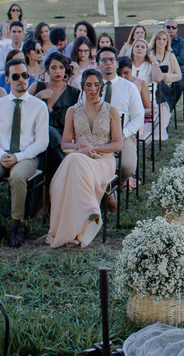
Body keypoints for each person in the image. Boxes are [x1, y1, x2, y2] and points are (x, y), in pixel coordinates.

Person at [47, 69, 123, 248]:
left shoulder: (111, 110)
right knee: (75, 160)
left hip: (103, 160)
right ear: (82, 86)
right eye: (88, 85)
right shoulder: (73, 111)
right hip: (80, 158)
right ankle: (88, 211)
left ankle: (88, 214)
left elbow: (118, 144)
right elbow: (65, 144)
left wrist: (93, 147)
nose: (93, 89)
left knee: (73, 163)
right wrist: (79, 147)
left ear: (101, 87)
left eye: (96, 85)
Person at [0, 57, 49, 247]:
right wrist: (1, 154)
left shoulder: (39, 106)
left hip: (25, 156)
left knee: (17, 177)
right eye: (16, 76)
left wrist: (18, 156)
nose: (21, 80)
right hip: (0, 155)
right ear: (7, 79)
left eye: (25, 75)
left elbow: (42, 141)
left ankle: (16, 227)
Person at [30, 53, 80, 180]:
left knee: (50, 135)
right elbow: (23, 110)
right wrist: (38, 97)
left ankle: (39, 185)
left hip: (62, 137)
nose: (58, 71)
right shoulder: (37, 87)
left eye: (61, 67)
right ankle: (62, 174)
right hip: (36, 135)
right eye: (53, 67)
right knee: (48, 132)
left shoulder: (74, 93)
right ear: (47, 70)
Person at [99, 51, 144, 185]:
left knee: (127, 166)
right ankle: (101, 187)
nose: (108, 63)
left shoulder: (129, 87)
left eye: (111, 60)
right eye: (104, 60)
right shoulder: (91, 86)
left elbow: (138, 117)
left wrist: (123, 134)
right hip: (96, 135)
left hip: (123, 135)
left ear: (117, 63)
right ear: (98, 64)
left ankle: (112, 186)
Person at [148, 29, 182, 141]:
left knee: (160, 86)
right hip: (151, 87)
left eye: (164, 39)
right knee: (156, 87)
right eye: (159, 39)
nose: (161, 41)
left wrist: (166, 76)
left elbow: (179, 75)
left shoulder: (170, 56)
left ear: (167, 41)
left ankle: (162, 121)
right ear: (155, 40)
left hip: (166, 87)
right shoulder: (149, 55)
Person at [164, 19, 184, 109]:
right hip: (163, 71)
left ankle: (169, 108)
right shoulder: (160, 41)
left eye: (173, 27)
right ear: (164, 28)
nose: (171, 29)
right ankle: (163, 108)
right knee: (160, 86)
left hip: (177, 72)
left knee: (179, 85)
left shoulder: (182, 42)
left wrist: (167, 59)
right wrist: (174, 57)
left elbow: (182, 60)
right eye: (168, 27)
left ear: (177, 29)